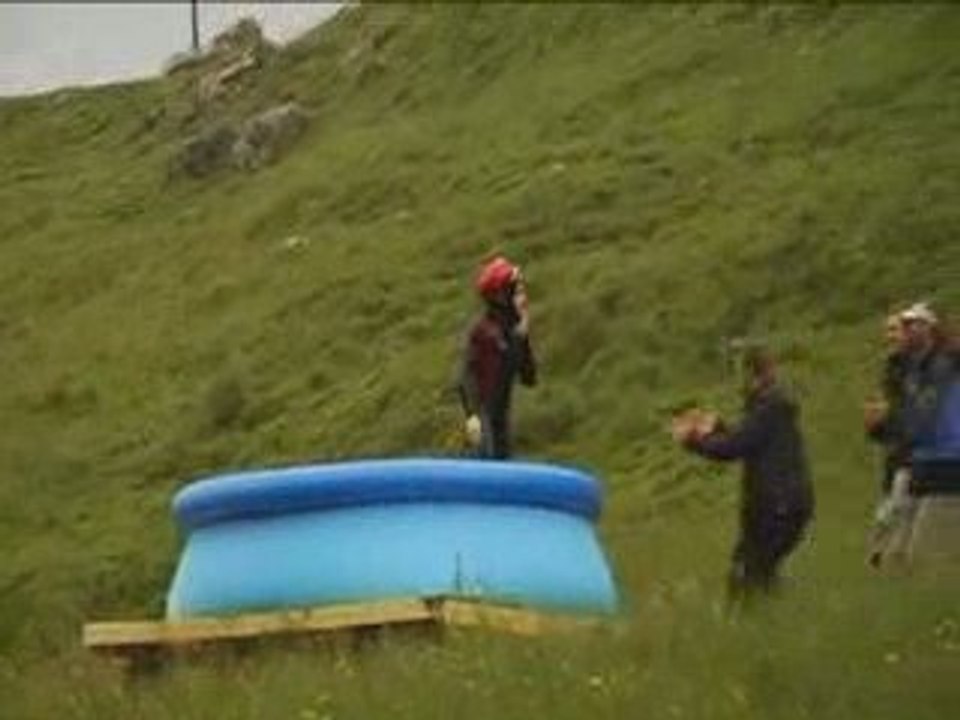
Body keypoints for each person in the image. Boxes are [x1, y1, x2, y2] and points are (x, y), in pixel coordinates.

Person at [672, 348, 814, 601]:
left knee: (748, 576)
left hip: (777, 506)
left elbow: (734, 447)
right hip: (783, 504)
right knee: (759, 575)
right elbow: (747, 438)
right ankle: (785, 617)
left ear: (752, 374)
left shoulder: (770, 407)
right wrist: (717, 427)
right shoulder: (771, 406)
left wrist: (693, 440)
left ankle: (766, 622)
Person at [458, 256, 537, 460]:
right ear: (501, 296)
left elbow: (529, 377)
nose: (522, 298)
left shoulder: (510, 331)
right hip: (484, 418)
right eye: (516, 291)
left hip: (501, 418)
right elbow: (469, 376)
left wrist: (523, 335)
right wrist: (472, 415)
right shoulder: (486, 332)